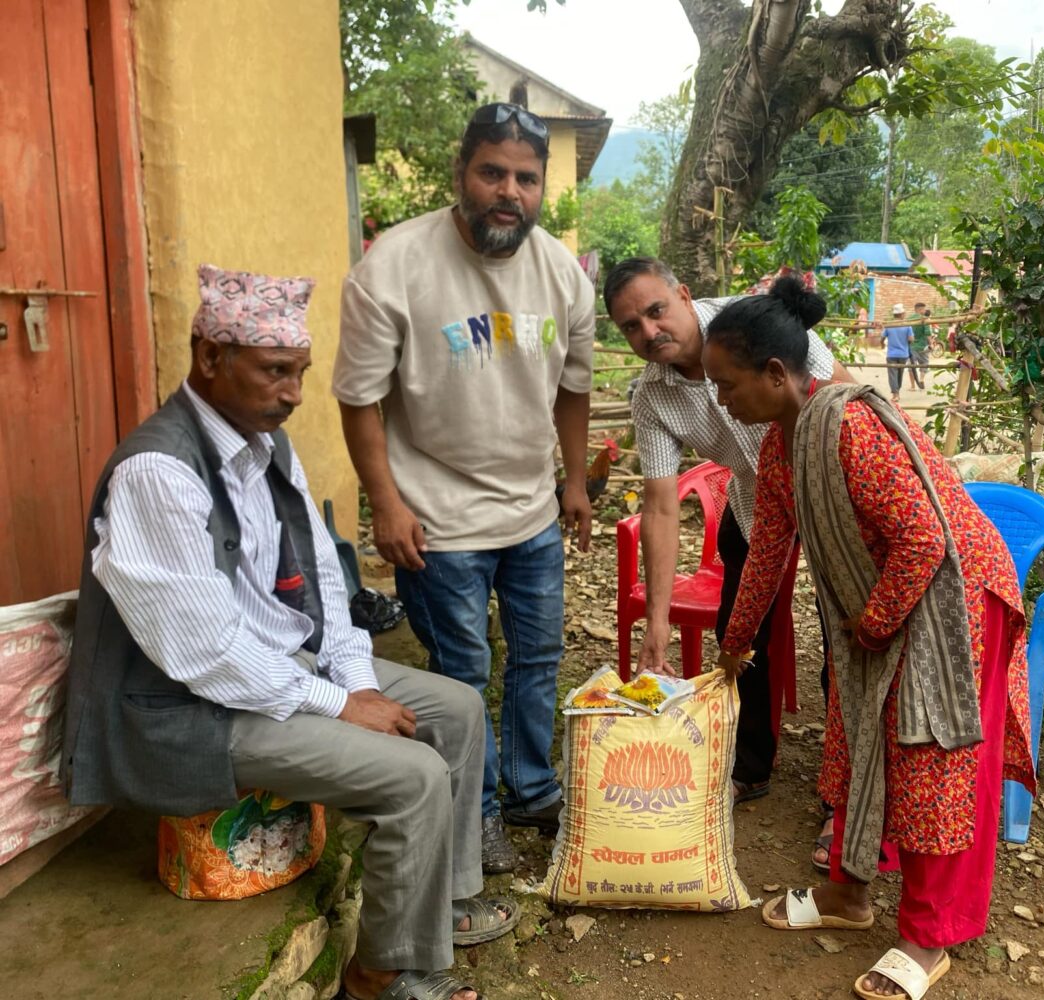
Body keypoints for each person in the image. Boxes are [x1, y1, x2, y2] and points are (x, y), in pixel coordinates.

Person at [60, 264, 513, 1000]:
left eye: (300, 372)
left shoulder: (267, 445)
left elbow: (326, 582)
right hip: (189, 708)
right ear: (211, 356)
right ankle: (378, 976)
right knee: (412, 777)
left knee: (456, 708)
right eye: (276, 371)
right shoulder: (157, 471)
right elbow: (204, 653)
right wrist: (339, 704)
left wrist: (356, 680)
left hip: (272, 666)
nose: (296, 393)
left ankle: (442, 907)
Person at [701, 277, 1033, 1000]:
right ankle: (849, 894)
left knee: (932, 759)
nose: (720, 401)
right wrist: (736, 641)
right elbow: (768, 548)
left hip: (956, 600)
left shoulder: (853, 429)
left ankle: (929, 936)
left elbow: (924, 541)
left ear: (776, 373)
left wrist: (872, 624)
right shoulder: (782, 447)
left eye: (726, 384)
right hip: (888, 602)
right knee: (855, 736)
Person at [335, 103, 596, 874]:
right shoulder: (394, 266)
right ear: (460, 173)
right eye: (492, 172)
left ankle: (529, 787)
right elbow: (357, 399)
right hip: (436, 519)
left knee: (538, 657)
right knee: (462, 673)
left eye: (525, 178)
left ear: (541, 187)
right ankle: (475, 813)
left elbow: (573, 389)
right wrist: (386, 503)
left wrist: (573, 480)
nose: (509, 191)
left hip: (531, 511)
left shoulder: (561, 274)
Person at [603, 257, 852, 809]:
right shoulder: (653, 396)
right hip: (755, 502)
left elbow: (845, 400)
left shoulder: (757, 324)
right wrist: (658, 623)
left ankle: (849, 786)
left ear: (684, 294)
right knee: (740, 632)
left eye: (656, 311)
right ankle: (750, 765)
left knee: (847, 632)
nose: (649, 331)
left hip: (827, 491)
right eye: (631, 326)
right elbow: (661, 507)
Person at [882, 303, 913, 402]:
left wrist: (882, 345)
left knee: (892, 374)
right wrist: (906, 341)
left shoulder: (889, 325)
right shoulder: (907, 326)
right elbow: (911, 339)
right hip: (903, 354)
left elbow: (882, 337)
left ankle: (895, 394)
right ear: (902, 314)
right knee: (900, 374)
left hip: (891, 354)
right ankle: (897, 392)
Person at [905, 302, 930, 391]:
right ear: (920, 309)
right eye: (924, 309)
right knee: (924, 363)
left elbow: (906, 333)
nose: (925, 311)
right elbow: (927, 333)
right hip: (923, 346)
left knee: (911, 366)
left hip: (912, 346)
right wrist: (931, 344)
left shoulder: (909, 319)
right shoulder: (925, 319)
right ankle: (921, 379)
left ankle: (913, 386)